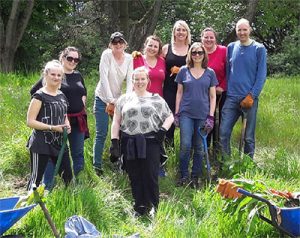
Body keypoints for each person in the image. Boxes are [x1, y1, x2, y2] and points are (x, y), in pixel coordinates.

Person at [110, 66, 174, 216]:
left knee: (150, 175)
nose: (139, 82)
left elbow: (170, 116)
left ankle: (153, 206)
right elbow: (116, 121)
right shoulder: (124, 99)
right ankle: (139, 206)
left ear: (148, 80)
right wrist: (114, 143)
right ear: (132, 81)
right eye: (136, 79)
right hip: (129, 142)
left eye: (142, 79)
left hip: (150, 141)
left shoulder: (156, 99)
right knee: (134, 174)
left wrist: (163, 130)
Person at [30, 46, 88, 186]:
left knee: (77, 153)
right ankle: (48, 186)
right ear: (62, 57)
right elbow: (34, 92)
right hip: (56, 123)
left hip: (76, 121)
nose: (73, 61)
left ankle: (78, 183)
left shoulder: (78, 75)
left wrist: (82, 102)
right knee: (53, 154)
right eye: (70, 58)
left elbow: (83, 91)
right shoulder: (53, 74)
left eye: (76, 59)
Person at [219, 18, 267, 159]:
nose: (242, 32)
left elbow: (261, 75)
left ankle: (247, 166)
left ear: (250, 30)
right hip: (232, 98)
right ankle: (227, 164)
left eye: (244, 29)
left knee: (248, 137)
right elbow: (229, 72)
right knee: (223, 133)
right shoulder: (231, 47)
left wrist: (252, 95)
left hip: (249, 99)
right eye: (239, 29)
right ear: (236, 31)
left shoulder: (259, 49)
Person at [175, 42, 218, 188]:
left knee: (199, 147)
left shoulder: (210, 72)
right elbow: (179, 92)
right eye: (194, 53)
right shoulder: (183, 71)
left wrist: (211, 117)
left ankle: (195, 176)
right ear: (190, 54)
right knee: (185, 145)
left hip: (203, 115)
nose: (197, 55)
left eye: (200, 52)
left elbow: (213, 96)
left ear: (204, 55)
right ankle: (183, 175)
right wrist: (177, 113)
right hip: (186, 113)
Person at [26, 60, 72, 191]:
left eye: (59, 75)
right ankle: (29, 209)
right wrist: (52, 128)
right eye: (53, 74)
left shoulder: (62, 95)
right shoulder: (39, 96)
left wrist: (67, 124)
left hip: (60, 143)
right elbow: (30, 121)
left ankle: (69, 204)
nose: (56, 78)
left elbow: (64, 114)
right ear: (46, 75)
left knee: (68, 177)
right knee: (36, 180)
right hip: (41, 143)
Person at [93, 32, 133, 175]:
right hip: (103, 98)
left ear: (125, 44)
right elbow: (103, 77)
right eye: (114, 43)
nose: (118, 45)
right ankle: (97, 167)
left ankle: (120, 164)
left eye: (120, 43)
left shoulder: (129, 58)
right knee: (101, 133)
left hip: (119, 100)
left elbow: (130, 81)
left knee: (121, 133)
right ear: (110, 45)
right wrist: (110, 100)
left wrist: (125, 100)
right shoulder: (106, 55)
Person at [133, 35, 167, 176]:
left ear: (159, 49)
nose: (152, 48)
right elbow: (133, 80)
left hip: (157, 103)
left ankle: (158, 166)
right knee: (140, 134)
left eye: (155, 46)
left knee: (157, 136)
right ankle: (138, 165)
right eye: (150, 45)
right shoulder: (137, 59)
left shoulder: (162, 61)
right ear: (145, 45)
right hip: (140, 102)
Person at [162, 20, 191, 147]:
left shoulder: (192, 48)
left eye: (183, 30)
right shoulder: (166, 48)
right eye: (178, 29)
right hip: (169, 89)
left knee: (187, 120)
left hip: (188, 89)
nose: (181, 32)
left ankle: (186, 151)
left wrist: (182, 70)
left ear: (187, 33)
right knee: (170, 119)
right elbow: (154, 63)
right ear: (174, 32)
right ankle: (169, 150)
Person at [201, 27, 227, 158]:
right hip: (203, 94)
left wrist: (222, 86)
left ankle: (218, 153)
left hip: (221, 93)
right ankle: (205, 153)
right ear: (202, 39)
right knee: (206, 122)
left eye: (211, 37)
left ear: (215, 39)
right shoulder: (198, 52)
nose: (208, 40)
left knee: (220, 123)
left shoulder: (223, 51)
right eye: (206, 37)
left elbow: (230, 71)